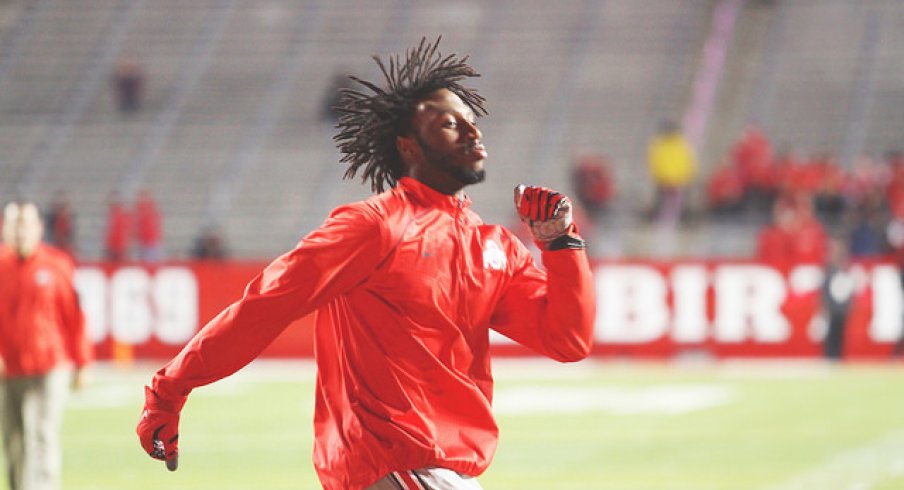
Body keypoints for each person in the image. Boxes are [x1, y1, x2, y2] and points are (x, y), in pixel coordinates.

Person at [135, 37, 596, 490]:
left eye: (471, 121)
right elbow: (263, 307)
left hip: (443, 472)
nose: (472, 132)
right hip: (395, 464)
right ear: (409, 148)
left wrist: (559, 244)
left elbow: (568, 340)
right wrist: (168, 390)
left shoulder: (492, 246)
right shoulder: (373, 228)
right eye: (450, 124)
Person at [0, 200, 93, 490]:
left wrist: (83, 362)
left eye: (26, 224)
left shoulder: (57, 265)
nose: (20, 231)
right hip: (7, 369)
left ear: (39, 227)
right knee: (13, 442)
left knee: (41, 434)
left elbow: (74, 316)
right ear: (4, 228)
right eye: (15, 224)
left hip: (48, 366)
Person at [647, 119, 696, 225]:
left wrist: (685, 176)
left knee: (680, 202)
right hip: (665, 178)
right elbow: (655, 162)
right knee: (661, 201)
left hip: (678, 178)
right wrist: (660, 175)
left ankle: (682, 218)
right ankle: (659, 218)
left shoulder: (681, 145)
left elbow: (687, 162)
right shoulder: (660, 145)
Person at [820, 238, 854, 361]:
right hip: (833, 307)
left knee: (839, 334)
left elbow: (848, 288)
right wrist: (824, 305)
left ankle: (837, 356)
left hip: (841, 308)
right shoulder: (830, 270)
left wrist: (849, 304)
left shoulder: (844, 269)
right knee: (831, 334)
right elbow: (825, 290)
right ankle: (830, 357)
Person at [134, 189, 163, 262]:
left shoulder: (150, 211)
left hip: (151, 242)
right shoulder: (140, 211)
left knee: (151, 262)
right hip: (145, 243)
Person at [104, 192, 131, 262]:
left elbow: (125, 231)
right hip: (113, 247)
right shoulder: (112, 214)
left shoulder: (122, 213)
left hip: (119, 247)